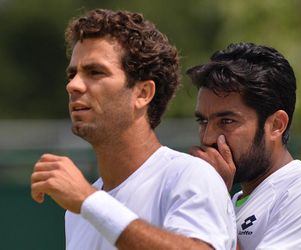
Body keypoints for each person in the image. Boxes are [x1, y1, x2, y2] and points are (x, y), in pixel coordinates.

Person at [30, 9, 236, 250]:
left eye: (95, 72)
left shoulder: (190, 176)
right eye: (72, 73)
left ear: (143, 93)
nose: (73, 85)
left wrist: (89, 202)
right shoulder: (76, 213)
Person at [187, 42, 301, 249]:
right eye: (203, 121)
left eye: (227, 121)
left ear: (276, 125)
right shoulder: (230, 203)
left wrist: (214, 195)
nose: (208, 137)